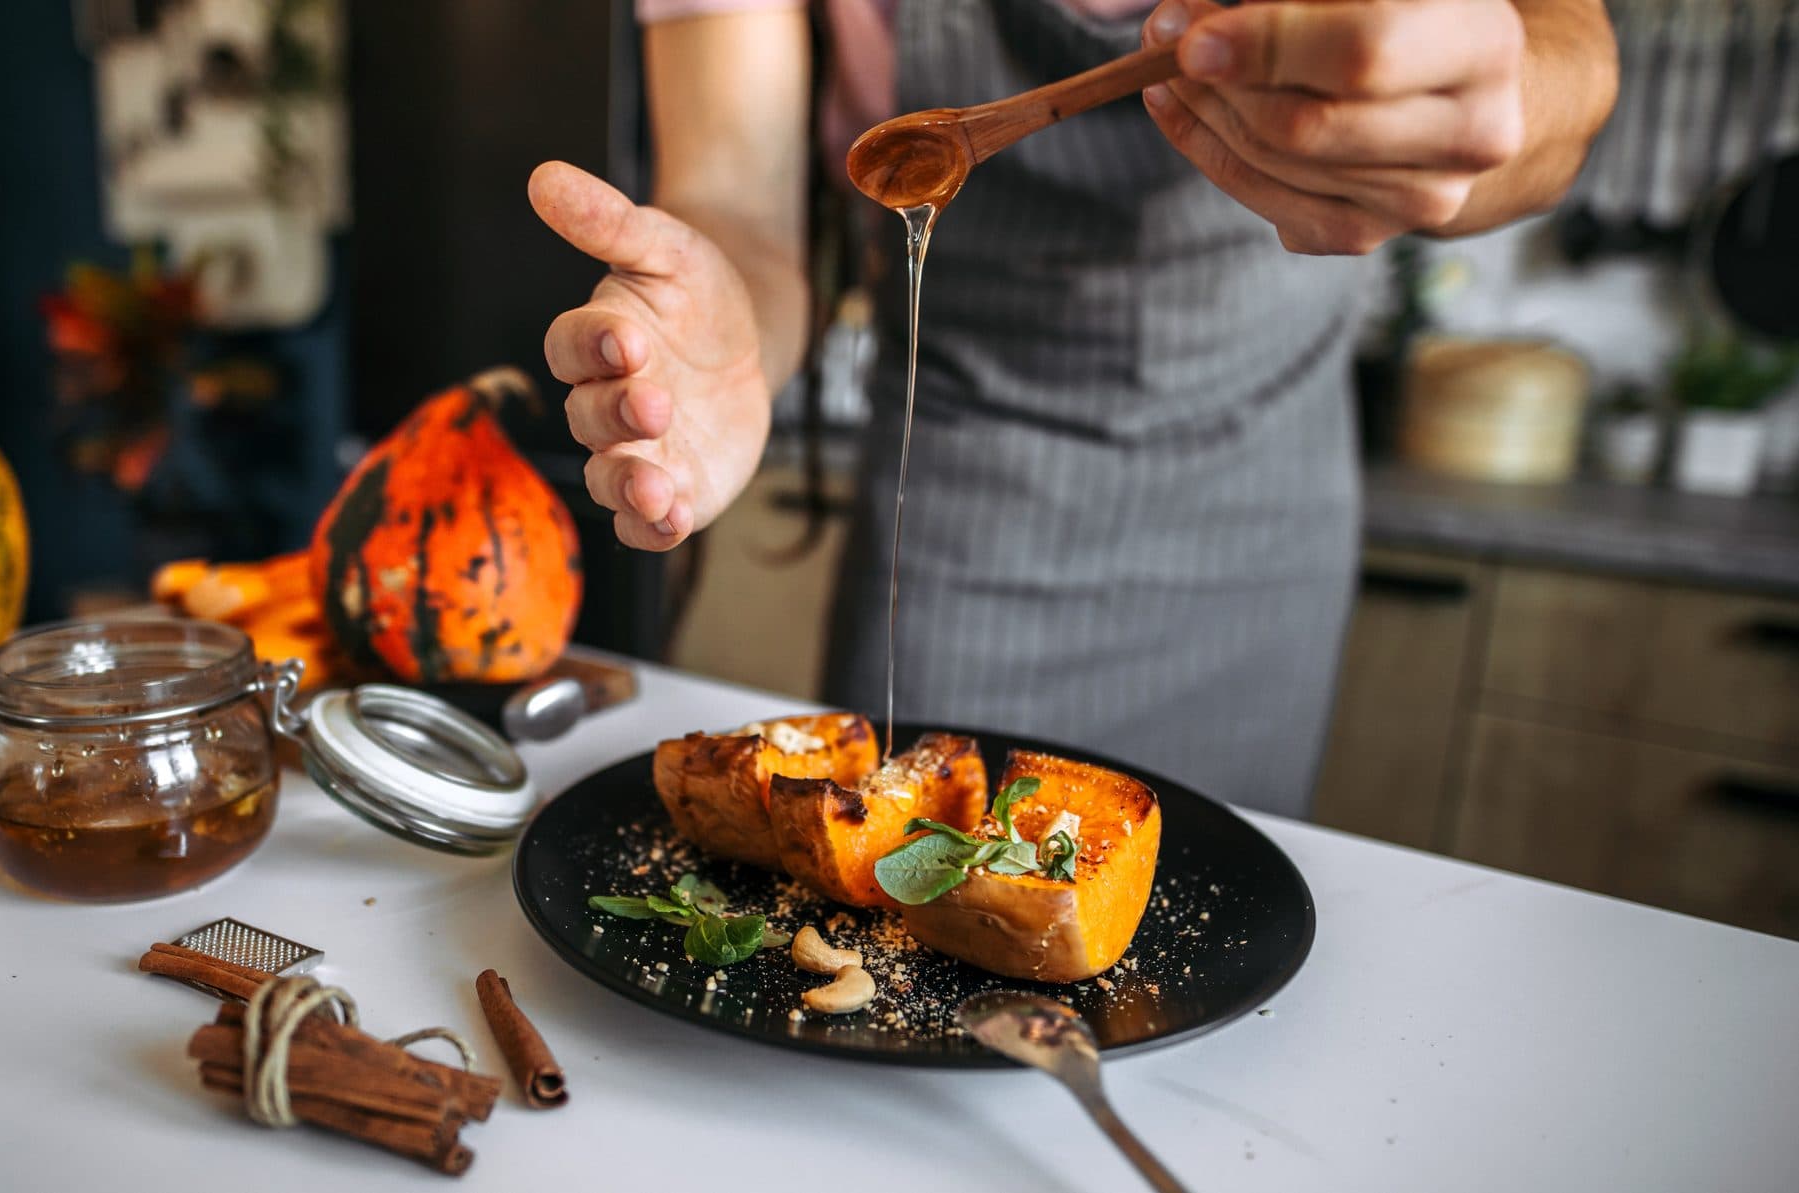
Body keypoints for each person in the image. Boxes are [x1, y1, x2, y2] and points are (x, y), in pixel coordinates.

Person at [528, 0, 1617, 817]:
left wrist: (1485, 115)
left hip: (1257, 492)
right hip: (962, 499)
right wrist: (720, 321)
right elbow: (736, 196)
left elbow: (1566, 63)